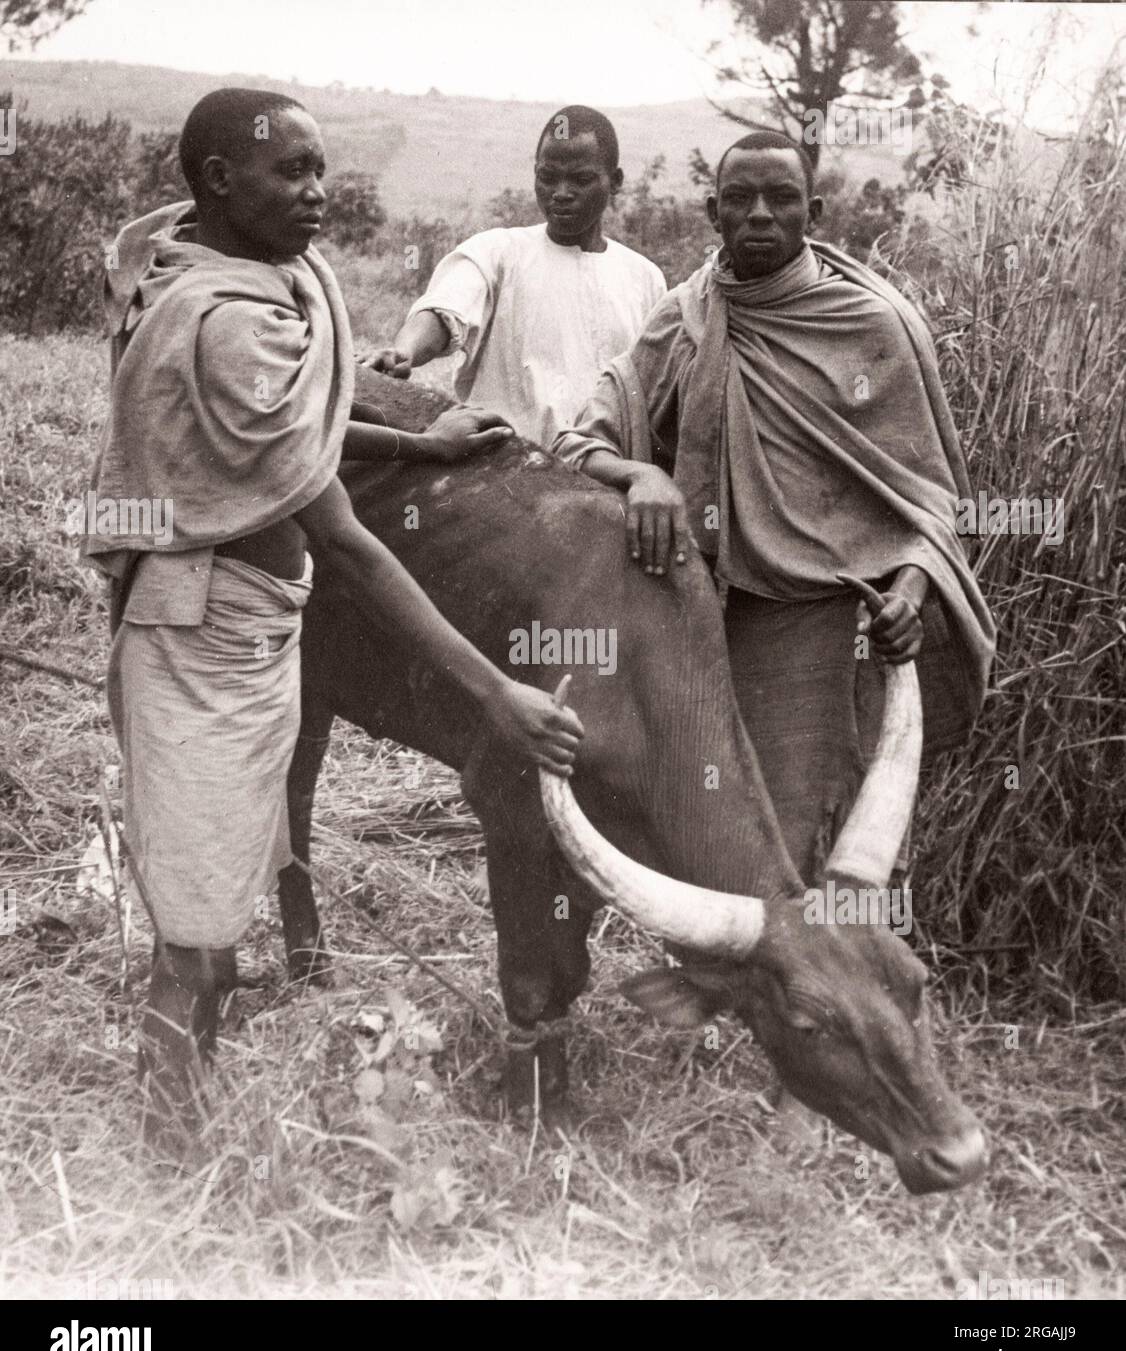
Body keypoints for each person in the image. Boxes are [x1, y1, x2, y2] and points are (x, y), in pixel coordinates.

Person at [83, 88, 582, 1153]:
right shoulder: (223, 325)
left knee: (218, 882)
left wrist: (421, 446)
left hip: (258, 617)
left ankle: (187, 1108)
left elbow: (315, 431)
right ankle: (173, 1146)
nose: (318, 194)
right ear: (219, 182)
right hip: (197, 630)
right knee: (201, 927)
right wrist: (494, 691)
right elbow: (346, 534)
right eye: (290, 173)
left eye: (321, 169)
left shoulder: (257, 278)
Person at [554, 130, 995, 883]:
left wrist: (910, 595)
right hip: (696, 616)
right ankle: (722, 988)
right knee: (707, 835)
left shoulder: (868, 323)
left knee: (797, 844)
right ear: (712, 212)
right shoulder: (684, 317)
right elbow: (575, 442)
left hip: (821, 624)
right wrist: (641, 477)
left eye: (781, 198)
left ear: (813, 212)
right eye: (740, 199)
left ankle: (812, 990)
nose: (760, 214)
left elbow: (928, 499)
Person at [367, 105, 666, 447]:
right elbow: (444, 312)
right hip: (508, 471)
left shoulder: (645, 278)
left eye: (581, 179)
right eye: (548, 177)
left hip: (609, 476)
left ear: (615, 182)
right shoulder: (496, 252)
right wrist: (402, 352)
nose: (561, 192)